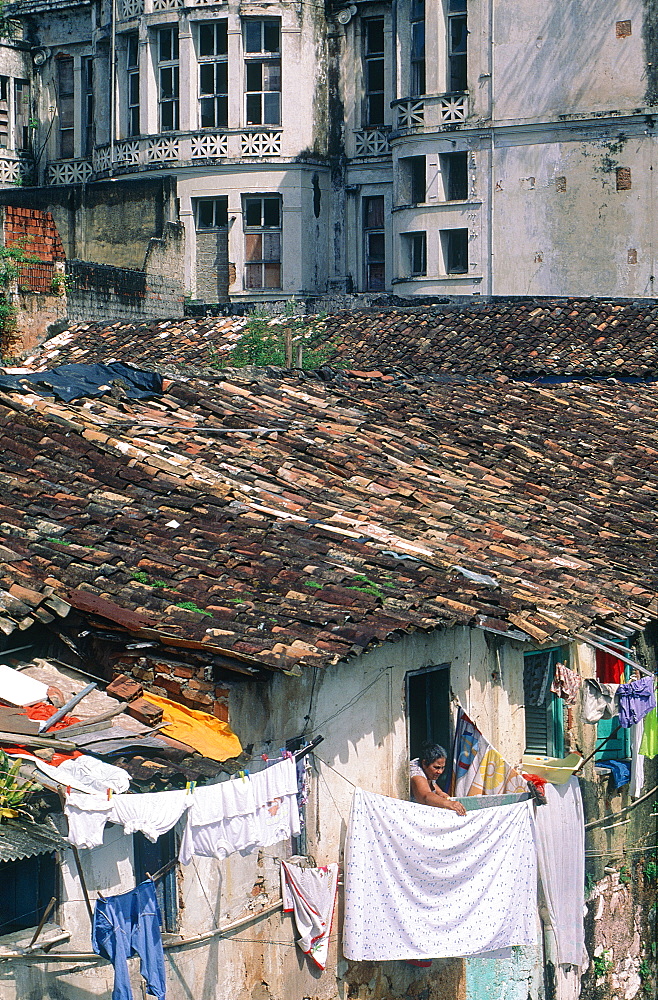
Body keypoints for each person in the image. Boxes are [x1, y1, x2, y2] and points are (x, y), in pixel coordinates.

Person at [410, 742, 467, 816]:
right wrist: (448, 803)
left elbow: (432, 784)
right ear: (424, 763)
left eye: (442, 767)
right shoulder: (416, 772)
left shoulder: (429, 772)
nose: (440, 771)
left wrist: (440, 793)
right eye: (436, 767)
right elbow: (425, 796)